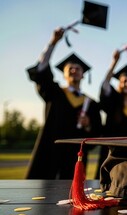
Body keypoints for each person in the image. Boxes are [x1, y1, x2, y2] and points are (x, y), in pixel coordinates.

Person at [26, 27, 102, 179]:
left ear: (83, 74)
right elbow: (41, 70)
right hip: (50, 150)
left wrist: (88, 125)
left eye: (78, 68)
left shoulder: (90, 103)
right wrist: (53, 43)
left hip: (75, 156)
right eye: (70, 68)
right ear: (64, 74)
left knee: (72, 197)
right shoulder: (54, 92)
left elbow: (96, 134)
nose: (74, 70)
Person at [95, 49, 127, 179]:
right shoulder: (113, 103)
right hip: (112, 151)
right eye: (124, 81)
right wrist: (114, 63)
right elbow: (105, 86)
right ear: (119, 84)